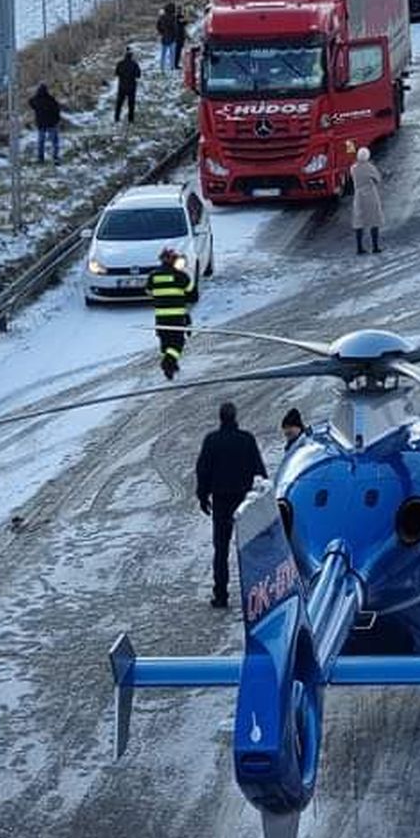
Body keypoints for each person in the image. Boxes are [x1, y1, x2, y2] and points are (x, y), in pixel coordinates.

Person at [195, 401, 267, 608]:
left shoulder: (212, 440)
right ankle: (258, 594)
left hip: (221, 501)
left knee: (221, 549)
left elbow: (203, 470)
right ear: (235, 417)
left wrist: (202, 496)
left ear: (220, 418)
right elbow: (259, 470)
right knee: (252, 548)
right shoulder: (246, 439)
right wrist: (263, 496)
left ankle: (221, 595)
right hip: (245, 501)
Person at [148, 246, 193, 380]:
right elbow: (191, 292)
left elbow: (149, 291)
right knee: (177, 343)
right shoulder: (181, 276)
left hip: (161, 318)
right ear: (174, 261)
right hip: (177, 318)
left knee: (166, 343)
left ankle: (172, 364)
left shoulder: (153, 276)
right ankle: (168, 363)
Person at [350, 146, 384, 254]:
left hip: (358, 195)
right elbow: (378, 179)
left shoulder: (354, 168)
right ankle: (375, 246)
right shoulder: (370, 167)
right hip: (370, 194)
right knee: (374, 219)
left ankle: (359, 247)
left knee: (359, 221)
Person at [28, 82, 62, 164]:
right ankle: (55, 157)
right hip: (52, 123)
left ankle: (40, 158)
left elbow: (30, 102)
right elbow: (57, 109)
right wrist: (57, 120)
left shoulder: (36, 100)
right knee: (55, 142)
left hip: (41, 124)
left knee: (41, 142)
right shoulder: (51, 99)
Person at [114, 47, 140, 124]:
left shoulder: (120, 63)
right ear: (131, 56)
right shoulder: (135, 64)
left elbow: (116, 73)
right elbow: (138, 75)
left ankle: (116, 117)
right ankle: (131, 119)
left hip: (122, 86)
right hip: (131, 86)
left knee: (119, 103)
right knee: (131, 103)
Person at [155, 3, 176, 74]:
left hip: (164, 37)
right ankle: (172, 67)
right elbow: (175, 27)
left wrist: (161, 32)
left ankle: (162, 67)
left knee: (163, 53)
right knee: (172, 53)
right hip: (172, 37)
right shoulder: (173, 17)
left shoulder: (162, 17)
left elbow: (158, 26)